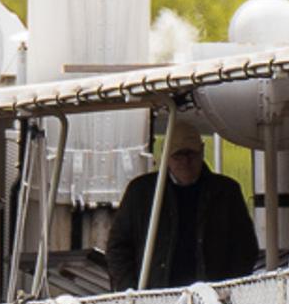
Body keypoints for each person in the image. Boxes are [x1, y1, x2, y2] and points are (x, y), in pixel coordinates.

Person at [111, 120, 264, 289]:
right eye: (178, 155)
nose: (186, 162)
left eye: (191, 154)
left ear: (202, 151)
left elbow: (245, 248)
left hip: (213, 300)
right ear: (166, 156)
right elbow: (118, 248)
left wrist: (229, 291)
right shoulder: (140, 193)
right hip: (153, 299)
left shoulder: (226, 192)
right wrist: (131, 292)